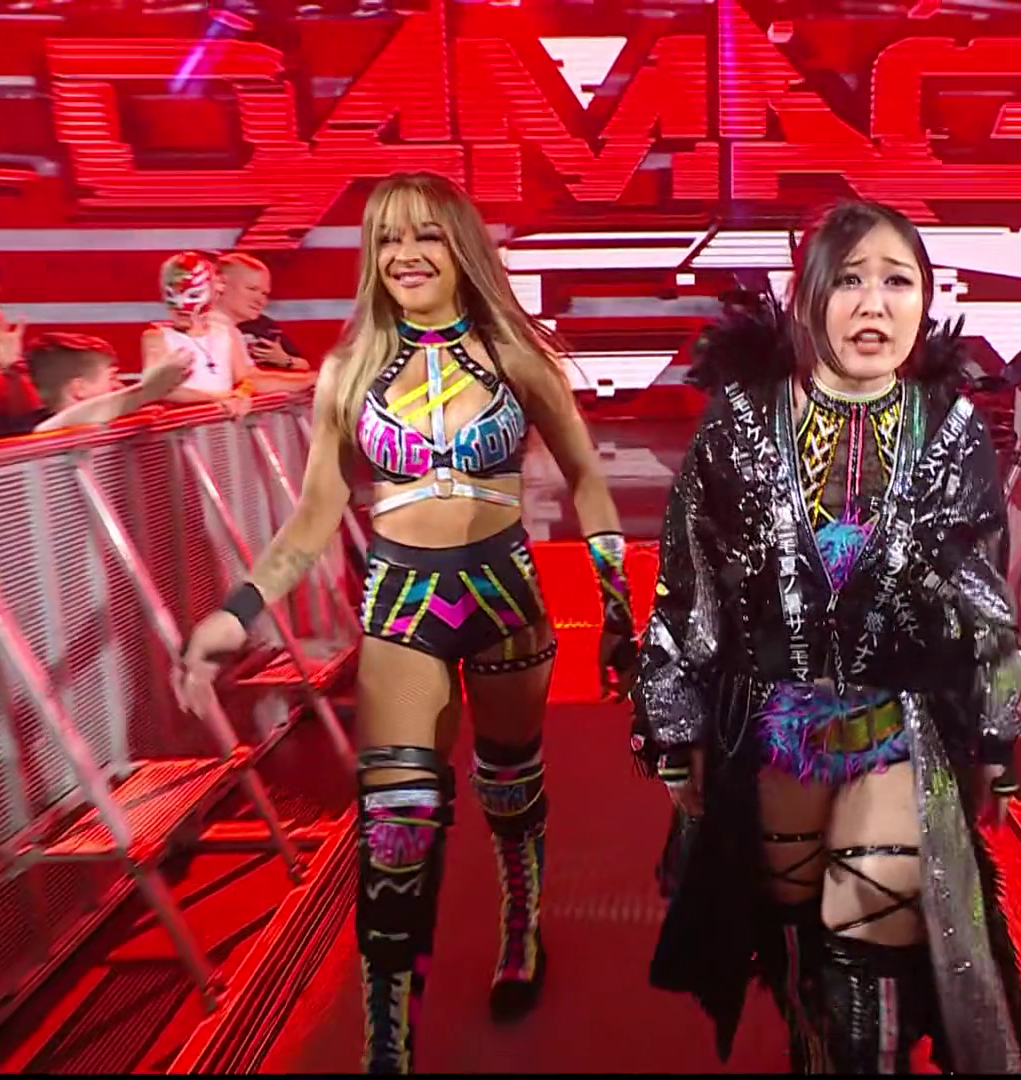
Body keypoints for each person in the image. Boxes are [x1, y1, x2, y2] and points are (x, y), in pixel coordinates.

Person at [174, 172, 636, 1074]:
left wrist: (617, 606)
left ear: (462, 246)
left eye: (426, 235)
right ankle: (388, 1043)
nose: (406, 255)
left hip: (504, 597)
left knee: (509, 783)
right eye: (388, 239)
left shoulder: (518, 356)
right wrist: (237, 613)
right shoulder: (348, 371)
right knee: (395, 827)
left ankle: (521, 926)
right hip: (402, 605)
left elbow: (587, 478)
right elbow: (313, 517)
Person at [633, 200, 1021, 1075]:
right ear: (809, 297)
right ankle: (809, 1043)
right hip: (766, 726)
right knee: (793, 922)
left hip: (900, 722)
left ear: (925, 299)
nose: (874, 304)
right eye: (851, 280)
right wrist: (673, 728)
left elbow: (984, 593)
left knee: (874, 913)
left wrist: (997, 734)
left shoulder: (952, 429)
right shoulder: (739, 424)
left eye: (898, 281)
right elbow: (689, 580)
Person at [146, 251, 256, 417]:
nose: (181, 305)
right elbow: (158, 388)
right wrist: (219, 399)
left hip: (228, 425)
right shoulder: (156, 337)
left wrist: (241, 396)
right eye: (172, 294)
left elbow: (245, 380)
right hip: (184, 427)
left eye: (193, 295)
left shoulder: (225, 332)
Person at [24, 332, 191, 433]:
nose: (119, 386)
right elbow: (57, 425)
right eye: (112, 378)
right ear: (79, 389)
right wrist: (146, 391)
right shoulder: (41, 434)